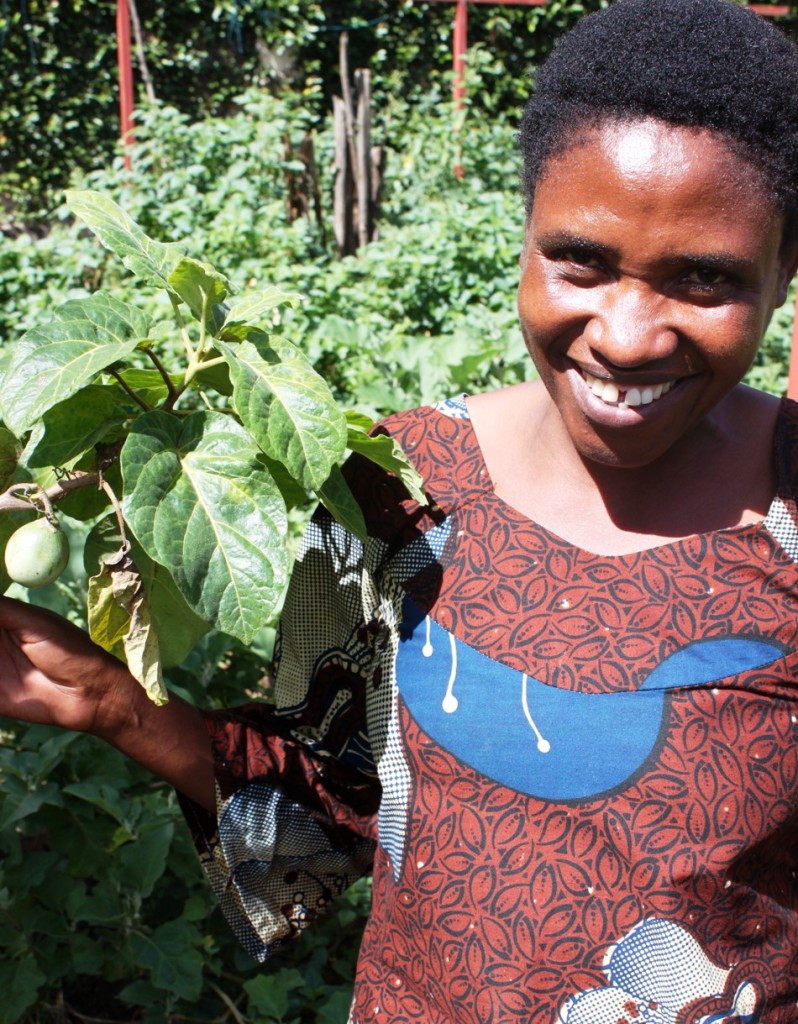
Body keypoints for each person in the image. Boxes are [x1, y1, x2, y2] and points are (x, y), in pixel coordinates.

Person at [3, 0, 798, 1020]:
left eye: (705, 280)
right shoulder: (402, 480)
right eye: (580, 262)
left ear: (783, 269)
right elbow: (320, 834)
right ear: (523, 236)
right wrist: (112, 705)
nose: (630, 335)